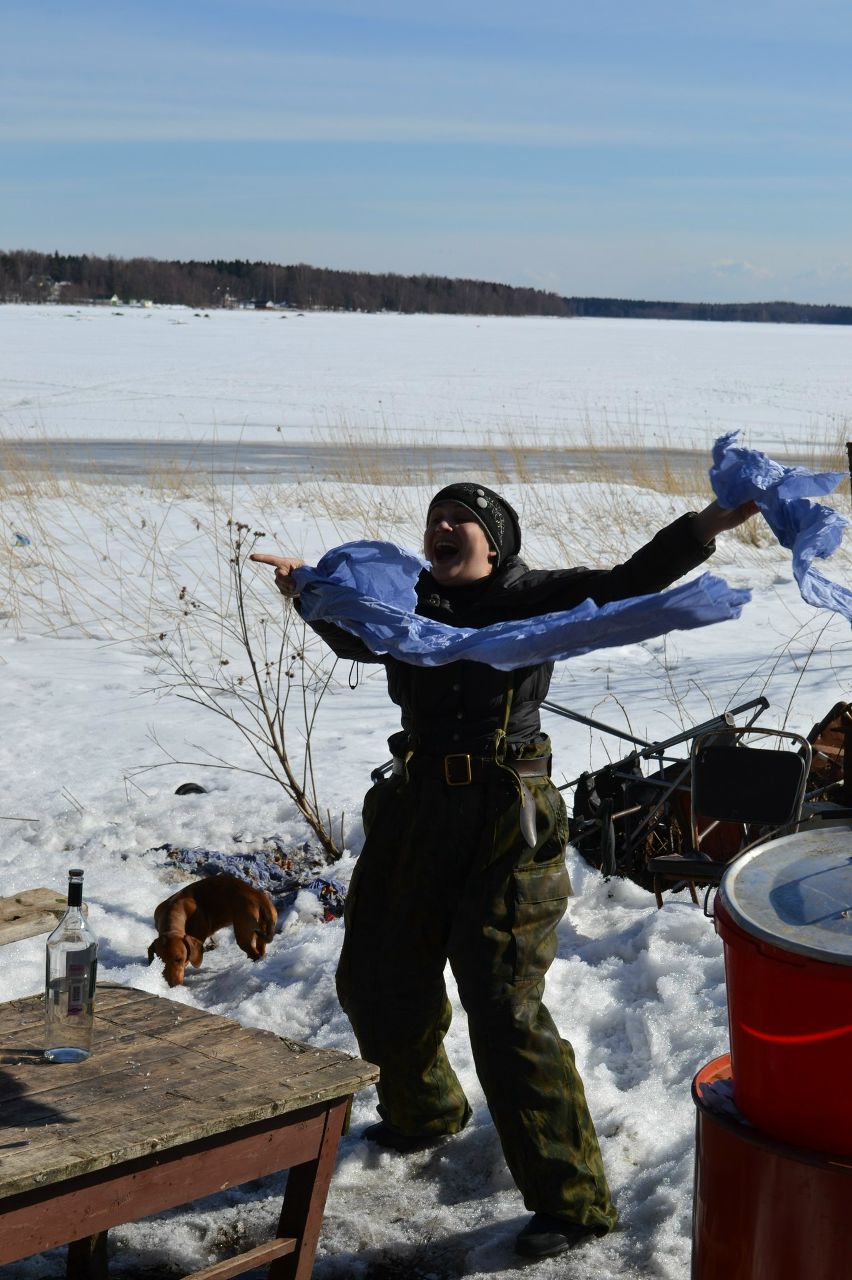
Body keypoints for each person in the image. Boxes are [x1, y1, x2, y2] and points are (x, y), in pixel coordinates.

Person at [252, 482, 756, 1259]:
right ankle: (423, 1113)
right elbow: (359, 635)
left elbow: (628, 583)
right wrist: (310, 592)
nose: (443, 528)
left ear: (496, 541)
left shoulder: (532, 598)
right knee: (378, 979)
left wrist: (707, 525)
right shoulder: (407, 600)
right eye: (435, 519)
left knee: (503, 1007)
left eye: (463, 520)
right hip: (415, 809)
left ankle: (573, 1201)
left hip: (506, 817)